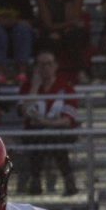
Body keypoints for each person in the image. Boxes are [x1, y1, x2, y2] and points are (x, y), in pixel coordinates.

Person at [18, 50, 79, 196]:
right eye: (41, 64)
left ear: (55, 66)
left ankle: (36, 179)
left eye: (49, 64)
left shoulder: (66, 87)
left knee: (52, 136)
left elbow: (67, 120)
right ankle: (67, 179)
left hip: (59, 132)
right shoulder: (27, 88)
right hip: (35, 133)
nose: (45, 68)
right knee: (40, 136)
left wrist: (43, 122)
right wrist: (34, 87)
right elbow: (24, 112)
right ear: (36, 67)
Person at [37, 0, 91, 81]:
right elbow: (48, 24)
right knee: (52, 38)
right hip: (51, 30)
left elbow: (72, 19)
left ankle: (81, 71)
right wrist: (67, 25)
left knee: (72, 34)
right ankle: (50, 75)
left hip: (71, 31)